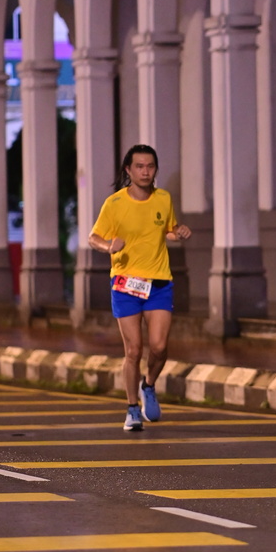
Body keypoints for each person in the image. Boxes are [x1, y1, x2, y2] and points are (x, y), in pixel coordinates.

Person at [89, 144, 191, 432]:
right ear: (128, 170)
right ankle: (132, 409)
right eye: (139, 166)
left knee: (159, 347)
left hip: (158, 283)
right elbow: (93, 237)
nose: (145, 172)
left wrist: (179, 231)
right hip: (125, 284)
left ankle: (149, 385)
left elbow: (168, 230)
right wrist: (108, 246)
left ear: (155, 169)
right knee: (133, 350)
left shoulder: (164, 198)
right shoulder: (114, 203)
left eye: (150, 166)